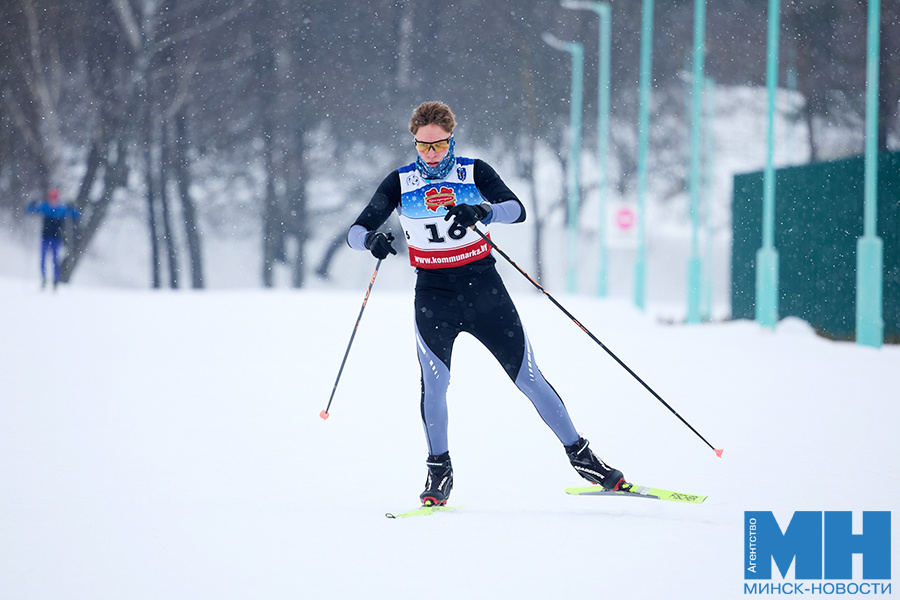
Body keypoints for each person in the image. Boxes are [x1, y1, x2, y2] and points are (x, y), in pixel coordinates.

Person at [347, 101, 625, 506]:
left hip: (484, 289)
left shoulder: (474, 172)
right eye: (423, 147)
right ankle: (439, 470)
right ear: (414, 144)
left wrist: (483, 210)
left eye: (439, 146)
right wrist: (370, 240)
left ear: (451, 141)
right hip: (433, 295)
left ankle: (583, 458)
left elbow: (518, 210)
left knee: (528, 377)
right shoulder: (399, 182)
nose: (431, 155)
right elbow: (357, 229)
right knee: (435, 384)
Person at [26, 188, 79, 289]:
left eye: (54, 198)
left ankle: (55, 279)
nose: (53, 201)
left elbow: (75, 215)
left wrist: (73, 207)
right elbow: (30, 211)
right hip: (45, 237)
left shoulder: (62, 208)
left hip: (56, 238)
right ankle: (44, 278)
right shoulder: (45, 207)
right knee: (43, 259)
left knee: (55, 260)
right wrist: (32, 204)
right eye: (51, 198)